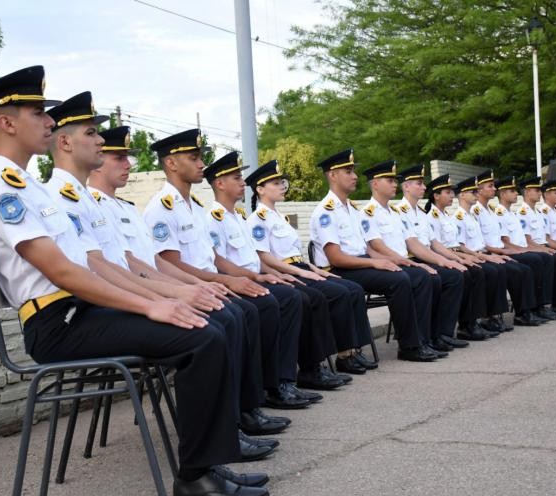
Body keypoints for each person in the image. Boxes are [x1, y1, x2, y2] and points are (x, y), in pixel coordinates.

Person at [0, 66, 268, 496]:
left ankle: (208, 464)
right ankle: (195, 482)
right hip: (56, 323)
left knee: (208, 327)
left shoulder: (31, 188)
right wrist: (150, 306)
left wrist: (164, 296)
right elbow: (64, 274)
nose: (49, 121)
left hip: (79, 310)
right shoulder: (2, 190)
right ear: (7, 123)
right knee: (202, 339)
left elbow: (95, 263)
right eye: (37, 112)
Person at [87, 127, 291, 451]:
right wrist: (181, 292)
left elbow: (148, 262)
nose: (127, 163)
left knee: (241, 312)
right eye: (117, 156)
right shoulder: (114, 206)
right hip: (115, 303)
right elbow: (125, 266)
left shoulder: (129, 208)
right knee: (224, 321)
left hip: (153, 288)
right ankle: (222, 429)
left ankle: (239, 413)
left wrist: (200, 285)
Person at [142, 129, 311, 415]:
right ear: (171, 163)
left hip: (212, 283)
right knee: (251, 310)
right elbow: (169, 264)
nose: (201, 164)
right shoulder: (162, 208)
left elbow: (215, 258)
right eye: (194, 157)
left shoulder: (194, 207)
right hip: (190, 287)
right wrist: (225, 282)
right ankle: (244, 406)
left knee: (271, 301)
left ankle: (262, 393)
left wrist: (252, 276)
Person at [203, 152, 344, 395]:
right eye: (236, 178)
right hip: (238, 283)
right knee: (293, 299)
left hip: (257, 277)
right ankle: (279, 381)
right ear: (220, 183)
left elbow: (256, 259)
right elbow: (220, 262)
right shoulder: (213, 219)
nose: (242, 182)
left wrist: (275, 275)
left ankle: (303, 371)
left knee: (302, 294)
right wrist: (258, 277)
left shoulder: (239, 216)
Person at [244, 159, 379, 375]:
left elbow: (296, 254)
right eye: (275, 183)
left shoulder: (280, 217)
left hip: (298, 266)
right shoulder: (257, 219)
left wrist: (312, 269)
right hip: (283, 270)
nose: (282, 187)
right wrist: (299, 272)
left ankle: (352, 351)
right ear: (259, 189)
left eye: (282, 182)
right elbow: (264, 257)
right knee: (324, 296)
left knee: (350, 288)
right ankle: (326, 361)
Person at [308, 148, 438, 362]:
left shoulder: (352, 209)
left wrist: (390, 260)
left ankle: (421, 340)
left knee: (418, 275)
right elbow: (336, 258)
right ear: (332, 175)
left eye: (353, 171)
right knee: (399, 280)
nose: (355, 176)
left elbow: (367, 248)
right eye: (348, 171)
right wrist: (377, 265)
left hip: (360, 263)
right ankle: (409, 346)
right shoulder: (326, 211)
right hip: (341, 269)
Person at [357, 161, 464, 353]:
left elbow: (412, 242)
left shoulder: (395, 212)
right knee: (424, 278)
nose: (394, 184)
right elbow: (377, 246)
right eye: (389, 180)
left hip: (403, 261)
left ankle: (432, 336)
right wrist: (410, 263)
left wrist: (444, 260)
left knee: (446, 275)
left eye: (395, 181)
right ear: (375, 184)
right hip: (386, 264)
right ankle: (415, 343)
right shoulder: (368, 213)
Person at [425, 174, 499, 339]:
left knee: (478, 270)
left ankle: (472, 322)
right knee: (472, 272)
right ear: (436, 196)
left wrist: (466, 257)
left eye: (452, 192)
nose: (452, 195)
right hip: (442, 256)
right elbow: (437, 248)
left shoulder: (445, 216)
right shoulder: (432, 217)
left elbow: (456, 245)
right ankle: (466, 325)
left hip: (453, 254)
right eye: (447, 192)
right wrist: (461, 258)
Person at [470, 170, 544, 325]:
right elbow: (482, 243)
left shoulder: (490, 210)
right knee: (519, 270)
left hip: (498, 252)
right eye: (490, 186)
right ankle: (512, 313)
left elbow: (499, 239)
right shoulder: (475, 210)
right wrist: (505, 251)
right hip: (488, 253)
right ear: (480, 189)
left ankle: (527, 311)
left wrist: (507, 250)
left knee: (526, 268)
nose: (494, 189)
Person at [451, 175, 517, 334]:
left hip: (479, 255)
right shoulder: (458, 216)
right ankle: (474, 322)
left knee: (498, 269)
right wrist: (483, 256)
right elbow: (460, 246)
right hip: (471, 256)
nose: (476, 194)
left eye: (476, 192)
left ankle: (492, 317)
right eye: (472, 192)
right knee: (488, 271)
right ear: (462, 195)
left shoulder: (471, 216)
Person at [492, 176, 556, 320]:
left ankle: (540, 306)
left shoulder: (511, 212)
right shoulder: (500, 213)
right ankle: (532, 308)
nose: (515, 194)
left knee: (543, 258)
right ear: (502, 194)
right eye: (511, 191)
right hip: (511, 251)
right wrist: (521, 250)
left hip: (519, 250)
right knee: (537, 259)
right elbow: (504, 241)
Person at [514, 177, 556, 315]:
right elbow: (528, 240)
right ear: (527, 192)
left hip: (541, 247)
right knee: (553, 260)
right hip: (533, 248)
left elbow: (546, 238)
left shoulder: (538, 212)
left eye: (540, 190)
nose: (539, 193)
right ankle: (546, 305)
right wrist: (547, 249)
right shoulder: (523, 212)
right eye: (536, 190)